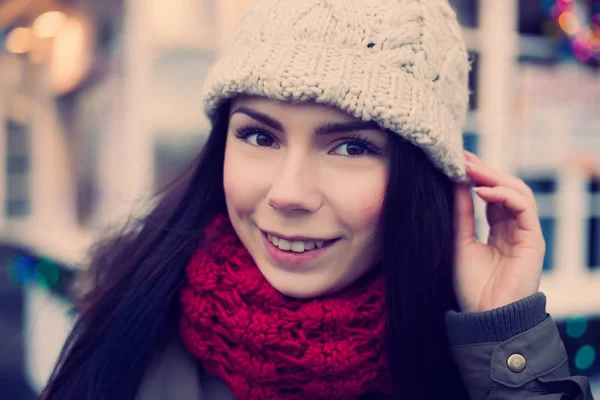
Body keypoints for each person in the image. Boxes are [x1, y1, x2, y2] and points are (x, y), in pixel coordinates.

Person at [41, 0, 594, 399]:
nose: (289, 194)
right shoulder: (127, 321)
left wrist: (505, 337)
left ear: (421, 176)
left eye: (351, 146)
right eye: (259, 136)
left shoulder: (466, 364)